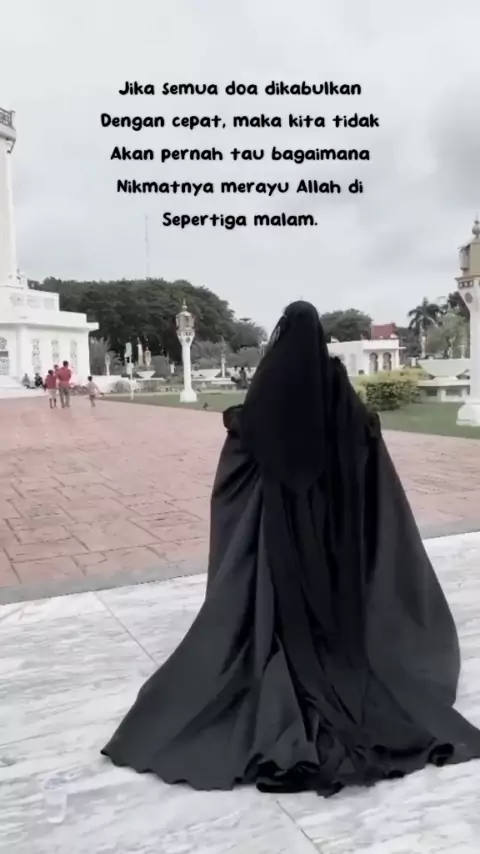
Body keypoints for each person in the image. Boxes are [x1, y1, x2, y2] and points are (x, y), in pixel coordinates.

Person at [101, 301, 480, 796]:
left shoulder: (269, 384)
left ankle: (278, 659)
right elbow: (364, 438)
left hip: (277, 534)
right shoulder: (335, 386)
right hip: (333, 533)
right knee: (333, 613)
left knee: (276, 607)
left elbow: (245, 442)